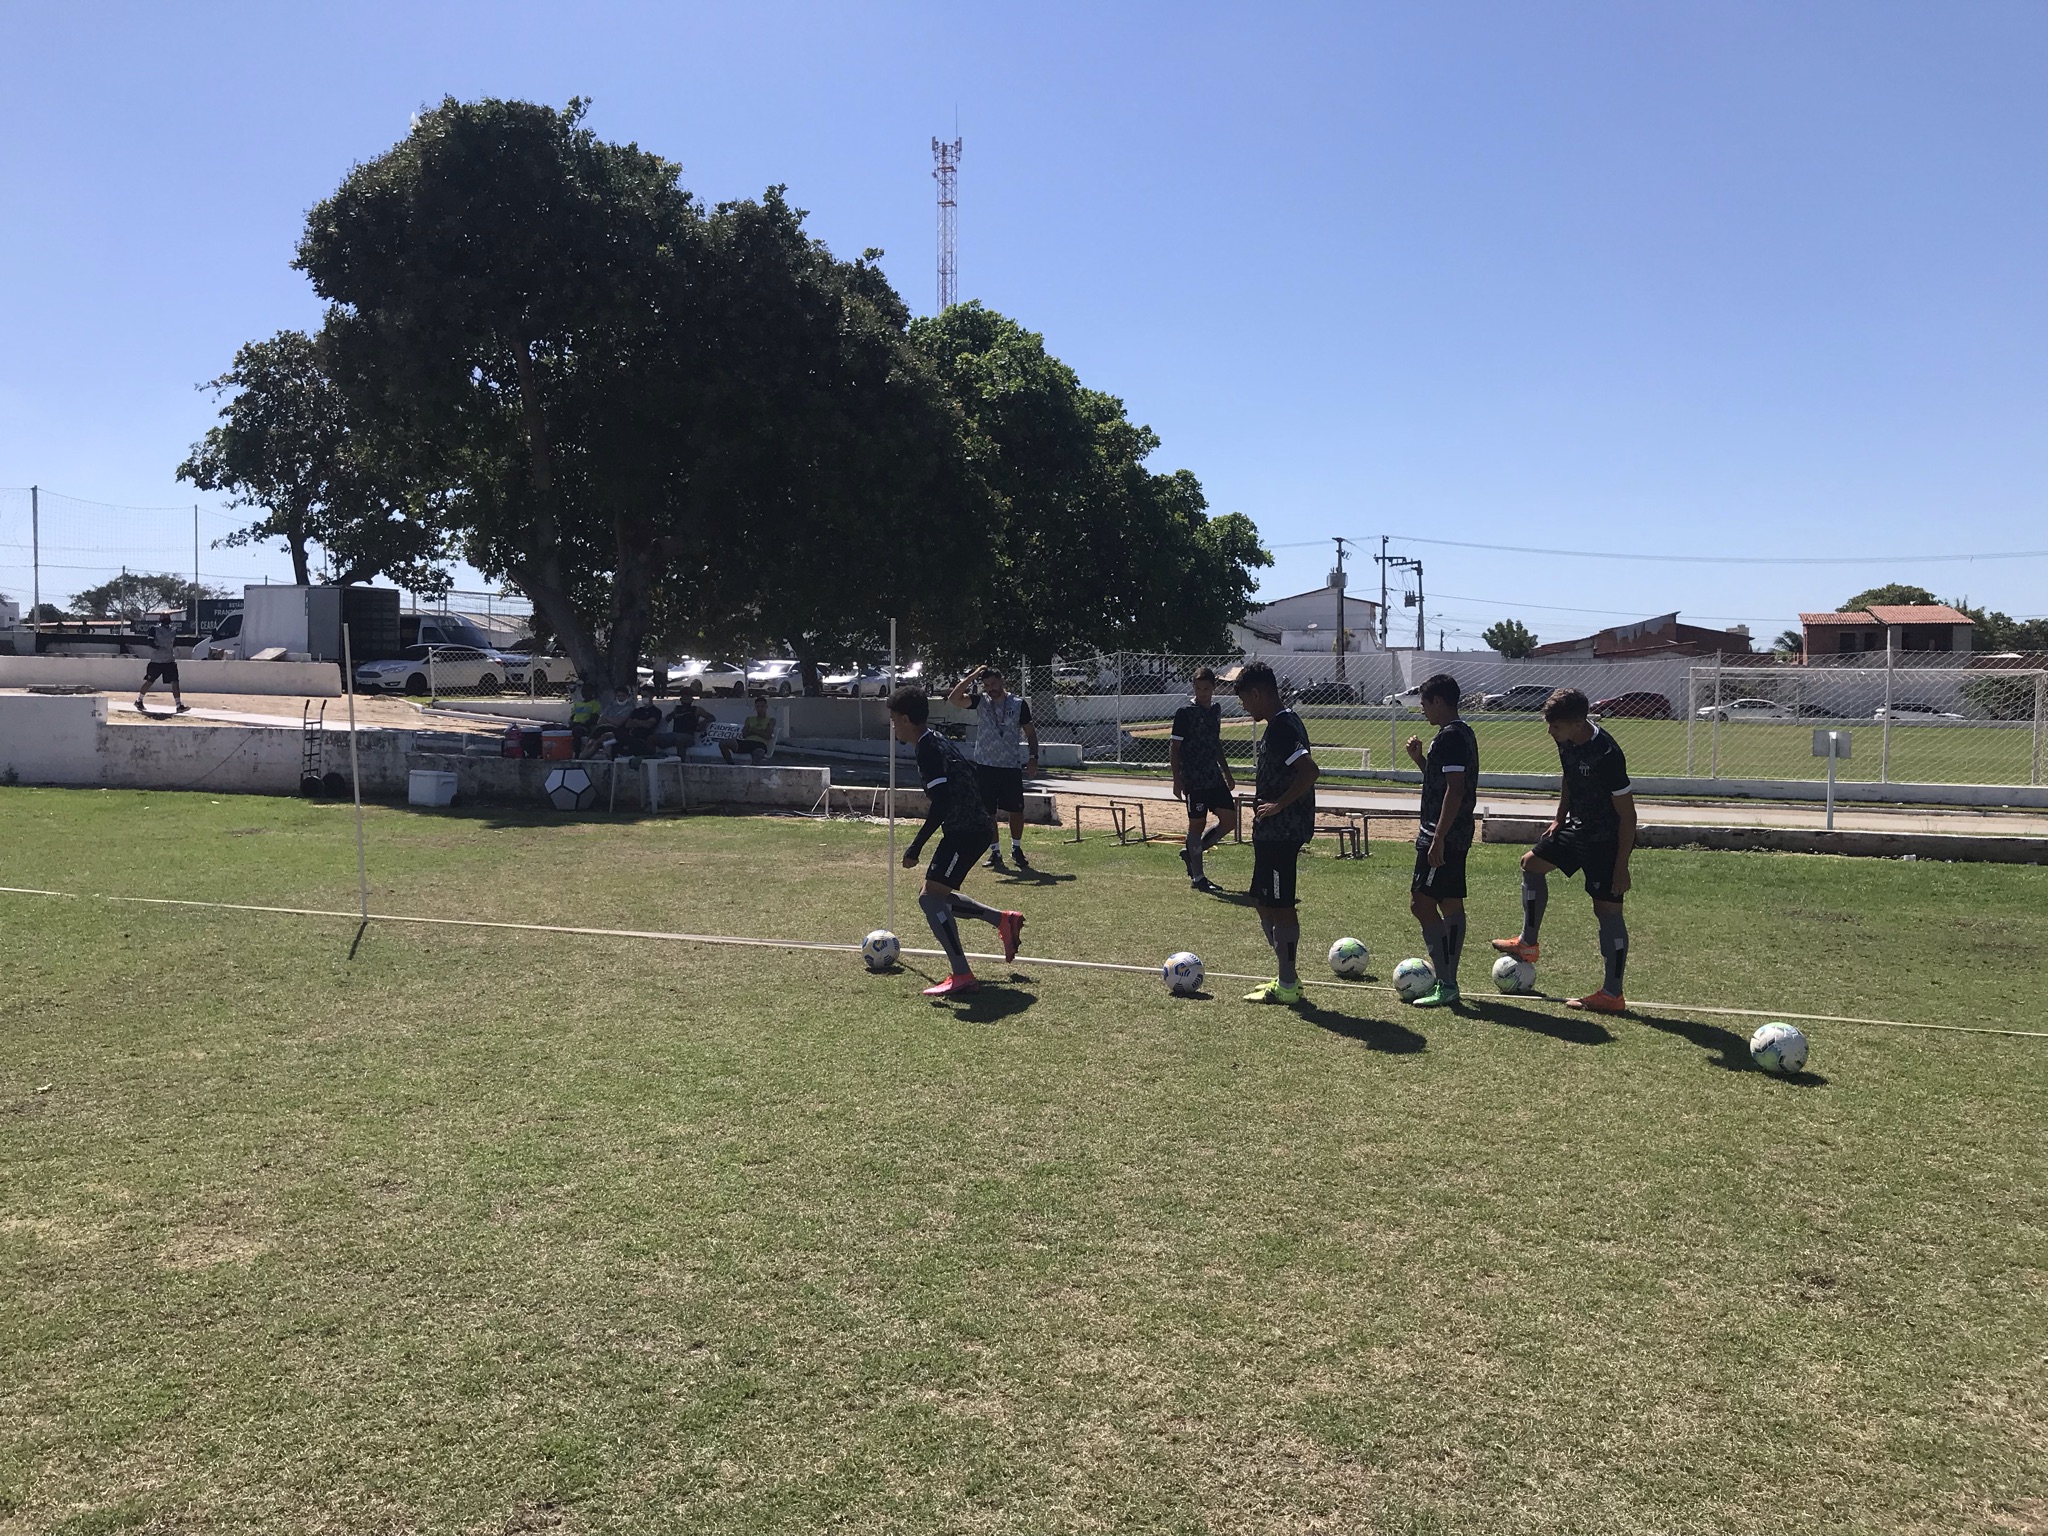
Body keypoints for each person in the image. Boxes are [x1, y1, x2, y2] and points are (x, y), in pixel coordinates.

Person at [1492, 687, 1637, 1013]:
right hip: (1576, 827)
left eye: (1555, 727)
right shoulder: (1565, 740)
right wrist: (1559, 818)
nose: (1550, 732)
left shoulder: (1607, 754)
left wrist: (1621, 865)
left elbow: (1628, 816)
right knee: (1531, 864)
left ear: (1577, 723)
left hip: (1605, 840)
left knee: (1607, 912)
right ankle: (1528, 943)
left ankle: (1612, 994)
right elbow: (1569, 777)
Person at [890, 685, 1025, 998]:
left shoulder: (927, 748)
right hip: (970, 827)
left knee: (929, 898)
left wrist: (916, 846)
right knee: (934, 894)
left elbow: (940, 802)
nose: (894, 727)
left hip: (965, 830)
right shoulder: (935, 739)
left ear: (907, 719)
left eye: (895, 720)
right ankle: (1003, 921)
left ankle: (962, 973)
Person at [1235, 661, 1319, 1005]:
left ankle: (1288, 982)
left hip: (1282, 832)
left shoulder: (1284, 726)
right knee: (1261, 900)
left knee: (1281, 905)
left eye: (1245, 700)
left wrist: (1279, 806)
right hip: (1270, 833)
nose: (1244, 707)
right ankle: (1286, 974)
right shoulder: (1278, 725)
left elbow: (1310, 771)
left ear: (1257, 693)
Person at [1404, 673, 1477, 1008]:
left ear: (1437, 701)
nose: (1422, 710)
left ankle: (1447, 980)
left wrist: (1438, 839)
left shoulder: (1450, 737)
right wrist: (1421, 760)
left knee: (1421, 903)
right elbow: (1442, 782)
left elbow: (1456, 789)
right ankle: (1449, 980)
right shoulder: (1461, 733)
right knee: (1449, 904)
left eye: (1424, 703)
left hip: (1442, 834)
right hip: (1451, 832)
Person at [945, 664, 1039, 871]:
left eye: (994, 683)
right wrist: (972, 676)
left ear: (1002, 681)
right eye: (986, 685)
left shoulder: (1018, 703)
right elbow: (954, 698)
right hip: (985, 766)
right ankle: (995, 851)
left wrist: (1033, 757)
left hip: (1010, 765)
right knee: (989, 812)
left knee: (1016, 810)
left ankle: (1016, 848)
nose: (991, 688)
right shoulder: (981, 702)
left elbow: (1030, 733)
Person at [1170, 665, 1238, 893]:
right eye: (1198, 689)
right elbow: (1175, 746)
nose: (1202, 693)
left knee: (1229, 820)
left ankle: (1192, 853)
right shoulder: (1184, 713)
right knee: (1196, 825)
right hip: (1194, 778)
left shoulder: (1215, 710)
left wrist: (1226, 772)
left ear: (1214, 688)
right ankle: (1198, 877)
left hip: (1213, 776)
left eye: (1206, 689)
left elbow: (1216, 743)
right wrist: (1177, 779)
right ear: (1193, 688)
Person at [135, 616, 188, 714]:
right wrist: (158, 647)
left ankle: (178, 705)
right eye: (164, 618)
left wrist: (175, 648)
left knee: (175, 682)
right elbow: (150, 642)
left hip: (169, 660)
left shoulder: (173, 630)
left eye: (167, 618)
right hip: (157, 661)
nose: (166, 620)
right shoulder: (154, 629)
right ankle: (139, 700)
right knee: (149, 682)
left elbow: (175, 642)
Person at [720, 694, 776, 763]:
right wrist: (761, 731)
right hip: (747, 742)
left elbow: (767, 735)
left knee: (758, 754)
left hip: (760, 744)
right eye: (758, 707)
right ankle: (731, 765)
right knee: (723, 743)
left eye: (762, 707)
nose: (760, 709)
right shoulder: (749, 719)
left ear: (766, 707)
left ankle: (753, 771)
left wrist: (752, 730)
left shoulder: (771, 720)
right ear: (755, 707)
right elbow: (744, 734)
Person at [613, 685, 664, 756]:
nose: (644, 698)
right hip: (629, 736)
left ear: (652, 696)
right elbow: (628, 724)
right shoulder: (637, 711)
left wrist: (636, 721)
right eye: (642, 696)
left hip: (642, 739)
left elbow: (648, 725)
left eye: (646, 696)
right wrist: (641, 723)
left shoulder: (656, 711)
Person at [568, 681, 602, 755]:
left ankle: (576, 753)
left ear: (592, 692)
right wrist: (572, 722)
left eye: (587, 691)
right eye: (583, 691)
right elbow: (572, 717)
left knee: (577, 731)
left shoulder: (595, 704)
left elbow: (593, 719)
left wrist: (581, 723)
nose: (584, 693)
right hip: (574, 725)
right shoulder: (577, 704)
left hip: (586, 727)